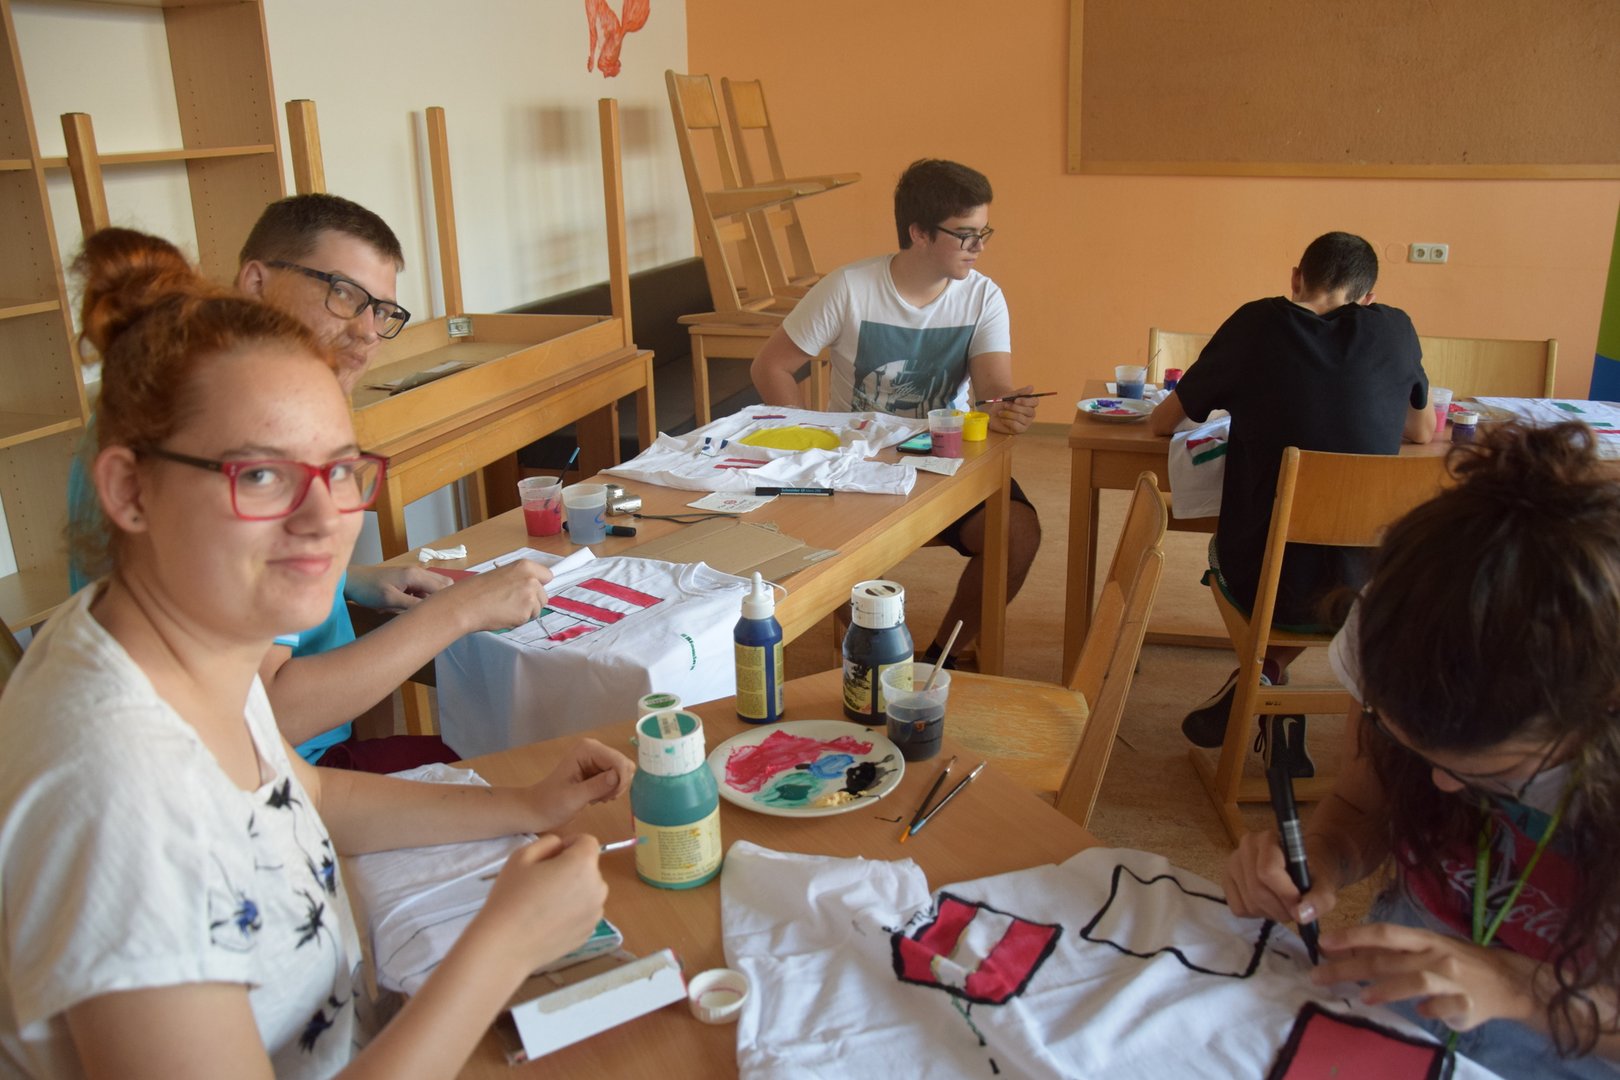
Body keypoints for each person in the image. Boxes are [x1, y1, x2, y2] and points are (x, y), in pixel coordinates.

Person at [0, 227, 633, 1078]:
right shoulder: (115, 798)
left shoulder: (175, 642)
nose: (323, 520)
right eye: (260, 476)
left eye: (338, 471)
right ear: (127, 490)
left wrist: (525, 804)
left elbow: (307, 792)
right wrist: (504, 946)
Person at [67, 193, 551, 770]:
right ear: (255, 283)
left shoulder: (191, 415)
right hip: (281, 764)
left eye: (382, 312)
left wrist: (352, 579)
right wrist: (458, 612)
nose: (367, 333)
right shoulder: (193, 436)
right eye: (344, 294)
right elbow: (266, 715)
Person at [1224, 421, 1620, 1079]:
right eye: (1405, 741)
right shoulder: (1403, 623)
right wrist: (1323, 856)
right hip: (1395, 1019)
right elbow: (1362, 802)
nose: (1438, 786)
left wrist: (1521, 989)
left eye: (1497, 772)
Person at [1148, 231, 1435, 760]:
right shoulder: (1396, 328)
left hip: (1262, 574)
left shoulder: (1256, 323)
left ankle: (1261, 670)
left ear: (1297, 278)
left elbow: (1164, 422)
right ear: (1368, 297)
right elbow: (1422, 431)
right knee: (1326, 570)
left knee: (1269, 561)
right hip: (1366, 583)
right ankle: (1269, 669)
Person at [749, 159, 1041, 661]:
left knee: (1018, 532)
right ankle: (878, 653)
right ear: (919, 233)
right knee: (821, 550)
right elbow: (771, 366)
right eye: (965, 235)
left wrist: (1006, 408)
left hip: (942, 461)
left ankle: (944, 655)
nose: (979, 247)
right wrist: (809, 439)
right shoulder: (849, 287)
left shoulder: (982, 296)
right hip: (854, 463)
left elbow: (994, 389)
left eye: (983, 232)